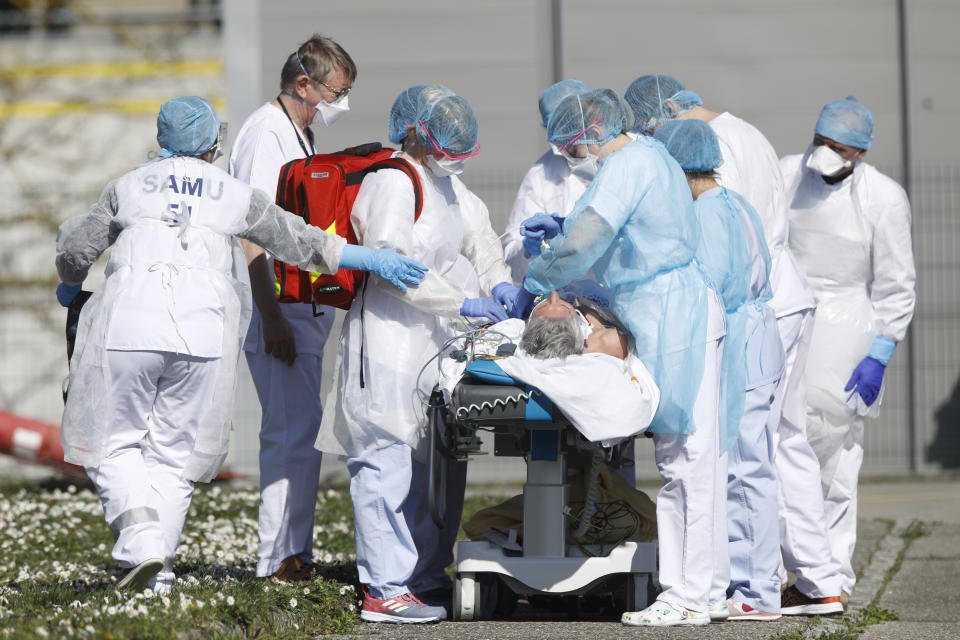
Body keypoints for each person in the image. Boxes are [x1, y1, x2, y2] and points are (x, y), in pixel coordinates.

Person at [54, 96, 427, 595]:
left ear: (162, 139)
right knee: (175, 455)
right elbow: (296, 238)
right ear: (213, 143)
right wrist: (362, 256)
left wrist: (68, 281)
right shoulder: (231, 191)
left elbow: (78, 247)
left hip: (127, 329)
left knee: (112, 443)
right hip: (203, 335)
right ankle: (154, 576)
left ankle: (140, 540)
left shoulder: (128, 186)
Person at [625, 74, 844, 616]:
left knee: (744, 453)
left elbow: (711, 255)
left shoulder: (713, 171)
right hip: (776, 299)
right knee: (782, 445)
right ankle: (815, 578)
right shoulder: (746, 133)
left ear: (665, 116)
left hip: (748, 309)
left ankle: (753, 588)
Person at [518, 89, 725, 627]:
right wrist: (564, 242)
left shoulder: (626, 164)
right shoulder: (649, 154)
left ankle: (687, 596)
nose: (570, 152)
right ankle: (701, 590)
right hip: (671, 309)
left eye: (569, 143)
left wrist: (536, 282)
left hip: (674, 316)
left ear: (588, 132)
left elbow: (593, 232)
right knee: (693, 461)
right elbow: (625, 236)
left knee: (687, 461)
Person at [315, 85, 514, 624]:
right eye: (448, 141)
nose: (457, 152)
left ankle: (426, 577)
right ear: (417, 134)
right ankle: (384, 587)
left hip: (434, 348)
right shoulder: (393, 181)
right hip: (385, 343)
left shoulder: (451, 189)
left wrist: (501, 289)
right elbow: (392, 265)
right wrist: (463, 300)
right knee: (385, 462)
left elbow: (484, 242)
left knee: (437, 469)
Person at [228, 34, 356, 581]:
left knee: (302, 430)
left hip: (302, 306)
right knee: (288, 431)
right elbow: (251, 229)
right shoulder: (265, 133)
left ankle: (293, 552)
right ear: (303, 83)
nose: (339, 104)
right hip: (274, 306)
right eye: (335, 92)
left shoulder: (298, 133)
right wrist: (273, 314)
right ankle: (277, 559)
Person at [781, 97, 916, 603]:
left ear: (859, 152)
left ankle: (828, 576)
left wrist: (879, 351)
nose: (823, 156)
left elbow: (897, 283)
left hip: (846, 329)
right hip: (790, 319)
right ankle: (784, 572)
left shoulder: (882, 197)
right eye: (819, 142)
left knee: (834, 460)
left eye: (836, 148)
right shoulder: (788, 175)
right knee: (780, 453)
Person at [655, 119, 786, 621]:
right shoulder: (735, 203)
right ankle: (752, 583)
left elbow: (705, 289)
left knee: (746, 469)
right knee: (750, 463)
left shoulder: (706, 215)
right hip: (757, 338)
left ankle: (756, 591)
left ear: (680, 172)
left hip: (737, 344)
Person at [501, 79, 589, 281]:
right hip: (566, 300)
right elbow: (512, 253)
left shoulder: (621, 161)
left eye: (570, 128)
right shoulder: (541, 174)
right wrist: (528, 248)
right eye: (556, 130)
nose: (566, 141)